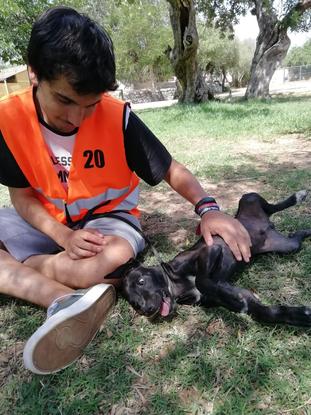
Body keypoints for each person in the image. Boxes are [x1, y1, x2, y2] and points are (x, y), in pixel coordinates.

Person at [0, 6, 251, 375]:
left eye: (89, 105)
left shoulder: (119, 117)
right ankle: (61, 300)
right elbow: (21, 198)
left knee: (103, 265)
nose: (76, 119)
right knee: (82, 270)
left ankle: (50, 277)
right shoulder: (7, 120)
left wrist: (208, 207)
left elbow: (170, 169)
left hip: (108, 224)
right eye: (65, 101)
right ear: (33, 73)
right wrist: (62, 236)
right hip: (46, 227)